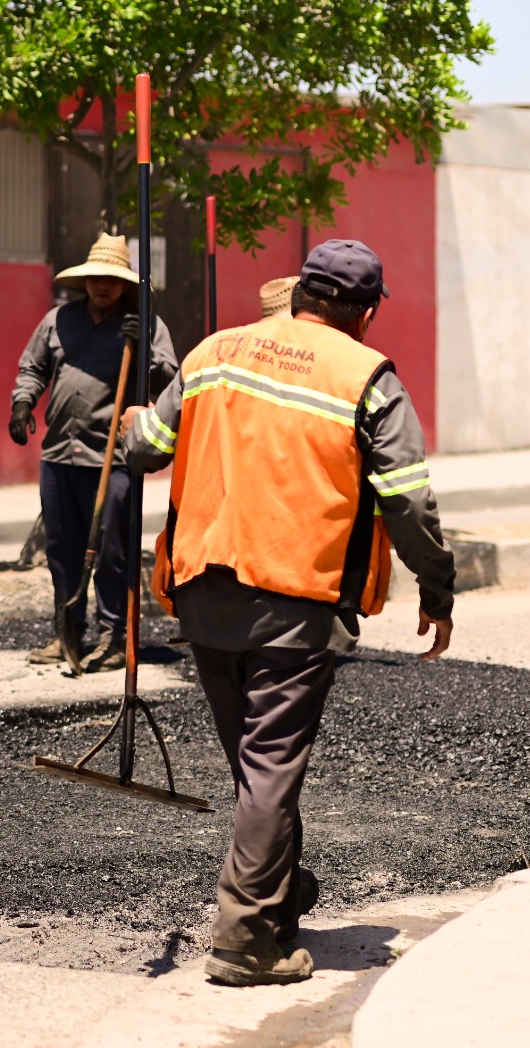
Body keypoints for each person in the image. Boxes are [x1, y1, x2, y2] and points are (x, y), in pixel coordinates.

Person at [122, 239, 455, 987]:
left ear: (300, 291)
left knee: (254, 765)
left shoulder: (213, 352)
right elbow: (407, 497)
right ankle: (245, 941)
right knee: (270, 768)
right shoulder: (365, 377)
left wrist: (132, 418)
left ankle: (278, 895)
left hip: (202, 590)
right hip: (294, 600)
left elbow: (146, 449)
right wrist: (437, 587)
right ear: (366, 312)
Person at [9, 233, 177, 670]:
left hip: (113, 460)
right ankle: (66, 634)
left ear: (124, 285)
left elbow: (172, 384)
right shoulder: (58, 320)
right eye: (96, 279)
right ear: (85, 282)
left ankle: (114, 637)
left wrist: (144, 351)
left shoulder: (147, 326)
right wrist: (23, 402)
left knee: (113, 551)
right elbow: (33, 366)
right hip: (60, 455)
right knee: (62, 548)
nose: (103, 286)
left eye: (112, 280)